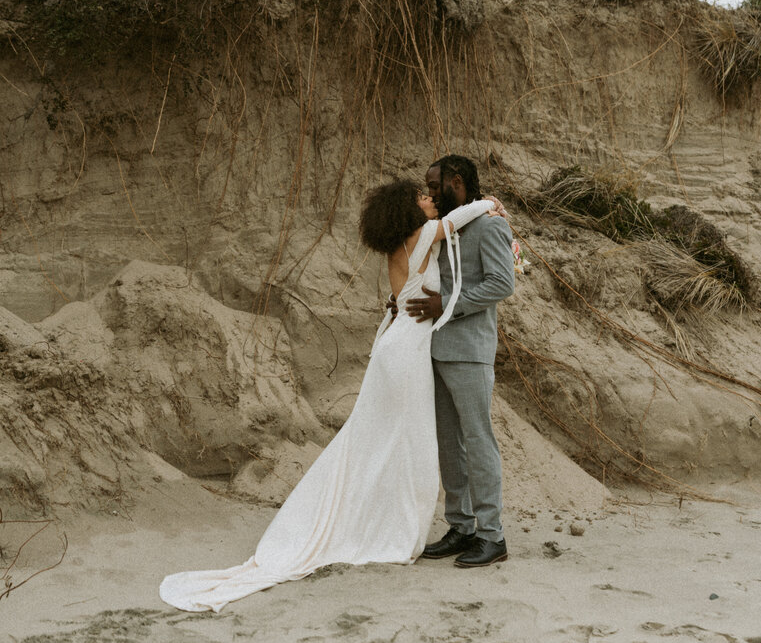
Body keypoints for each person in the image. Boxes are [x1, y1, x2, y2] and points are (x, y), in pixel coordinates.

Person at [158, 179, 500, 612]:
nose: (429, 199)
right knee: (405, 442)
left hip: (398, 348)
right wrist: (489, 202)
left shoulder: (401, 243)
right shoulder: (422, 235)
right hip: (406, 353)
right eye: (420, 197)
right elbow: (457, 219)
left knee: (382, 439)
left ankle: (377, 519)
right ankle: (387, 527)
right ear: (407, 211)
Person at [406, 155, 515, 568]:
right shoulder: (446, 228)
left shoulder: (490, 225)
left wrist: (446, 306)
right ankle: (461, 526)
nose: (431, 193)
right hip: (435, 349)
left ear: (456, 181)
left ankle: (492, 536)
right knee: (449, 445)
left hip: (470, 350)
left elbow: (502, 283)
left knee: (478, 440)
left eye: (435, 185)